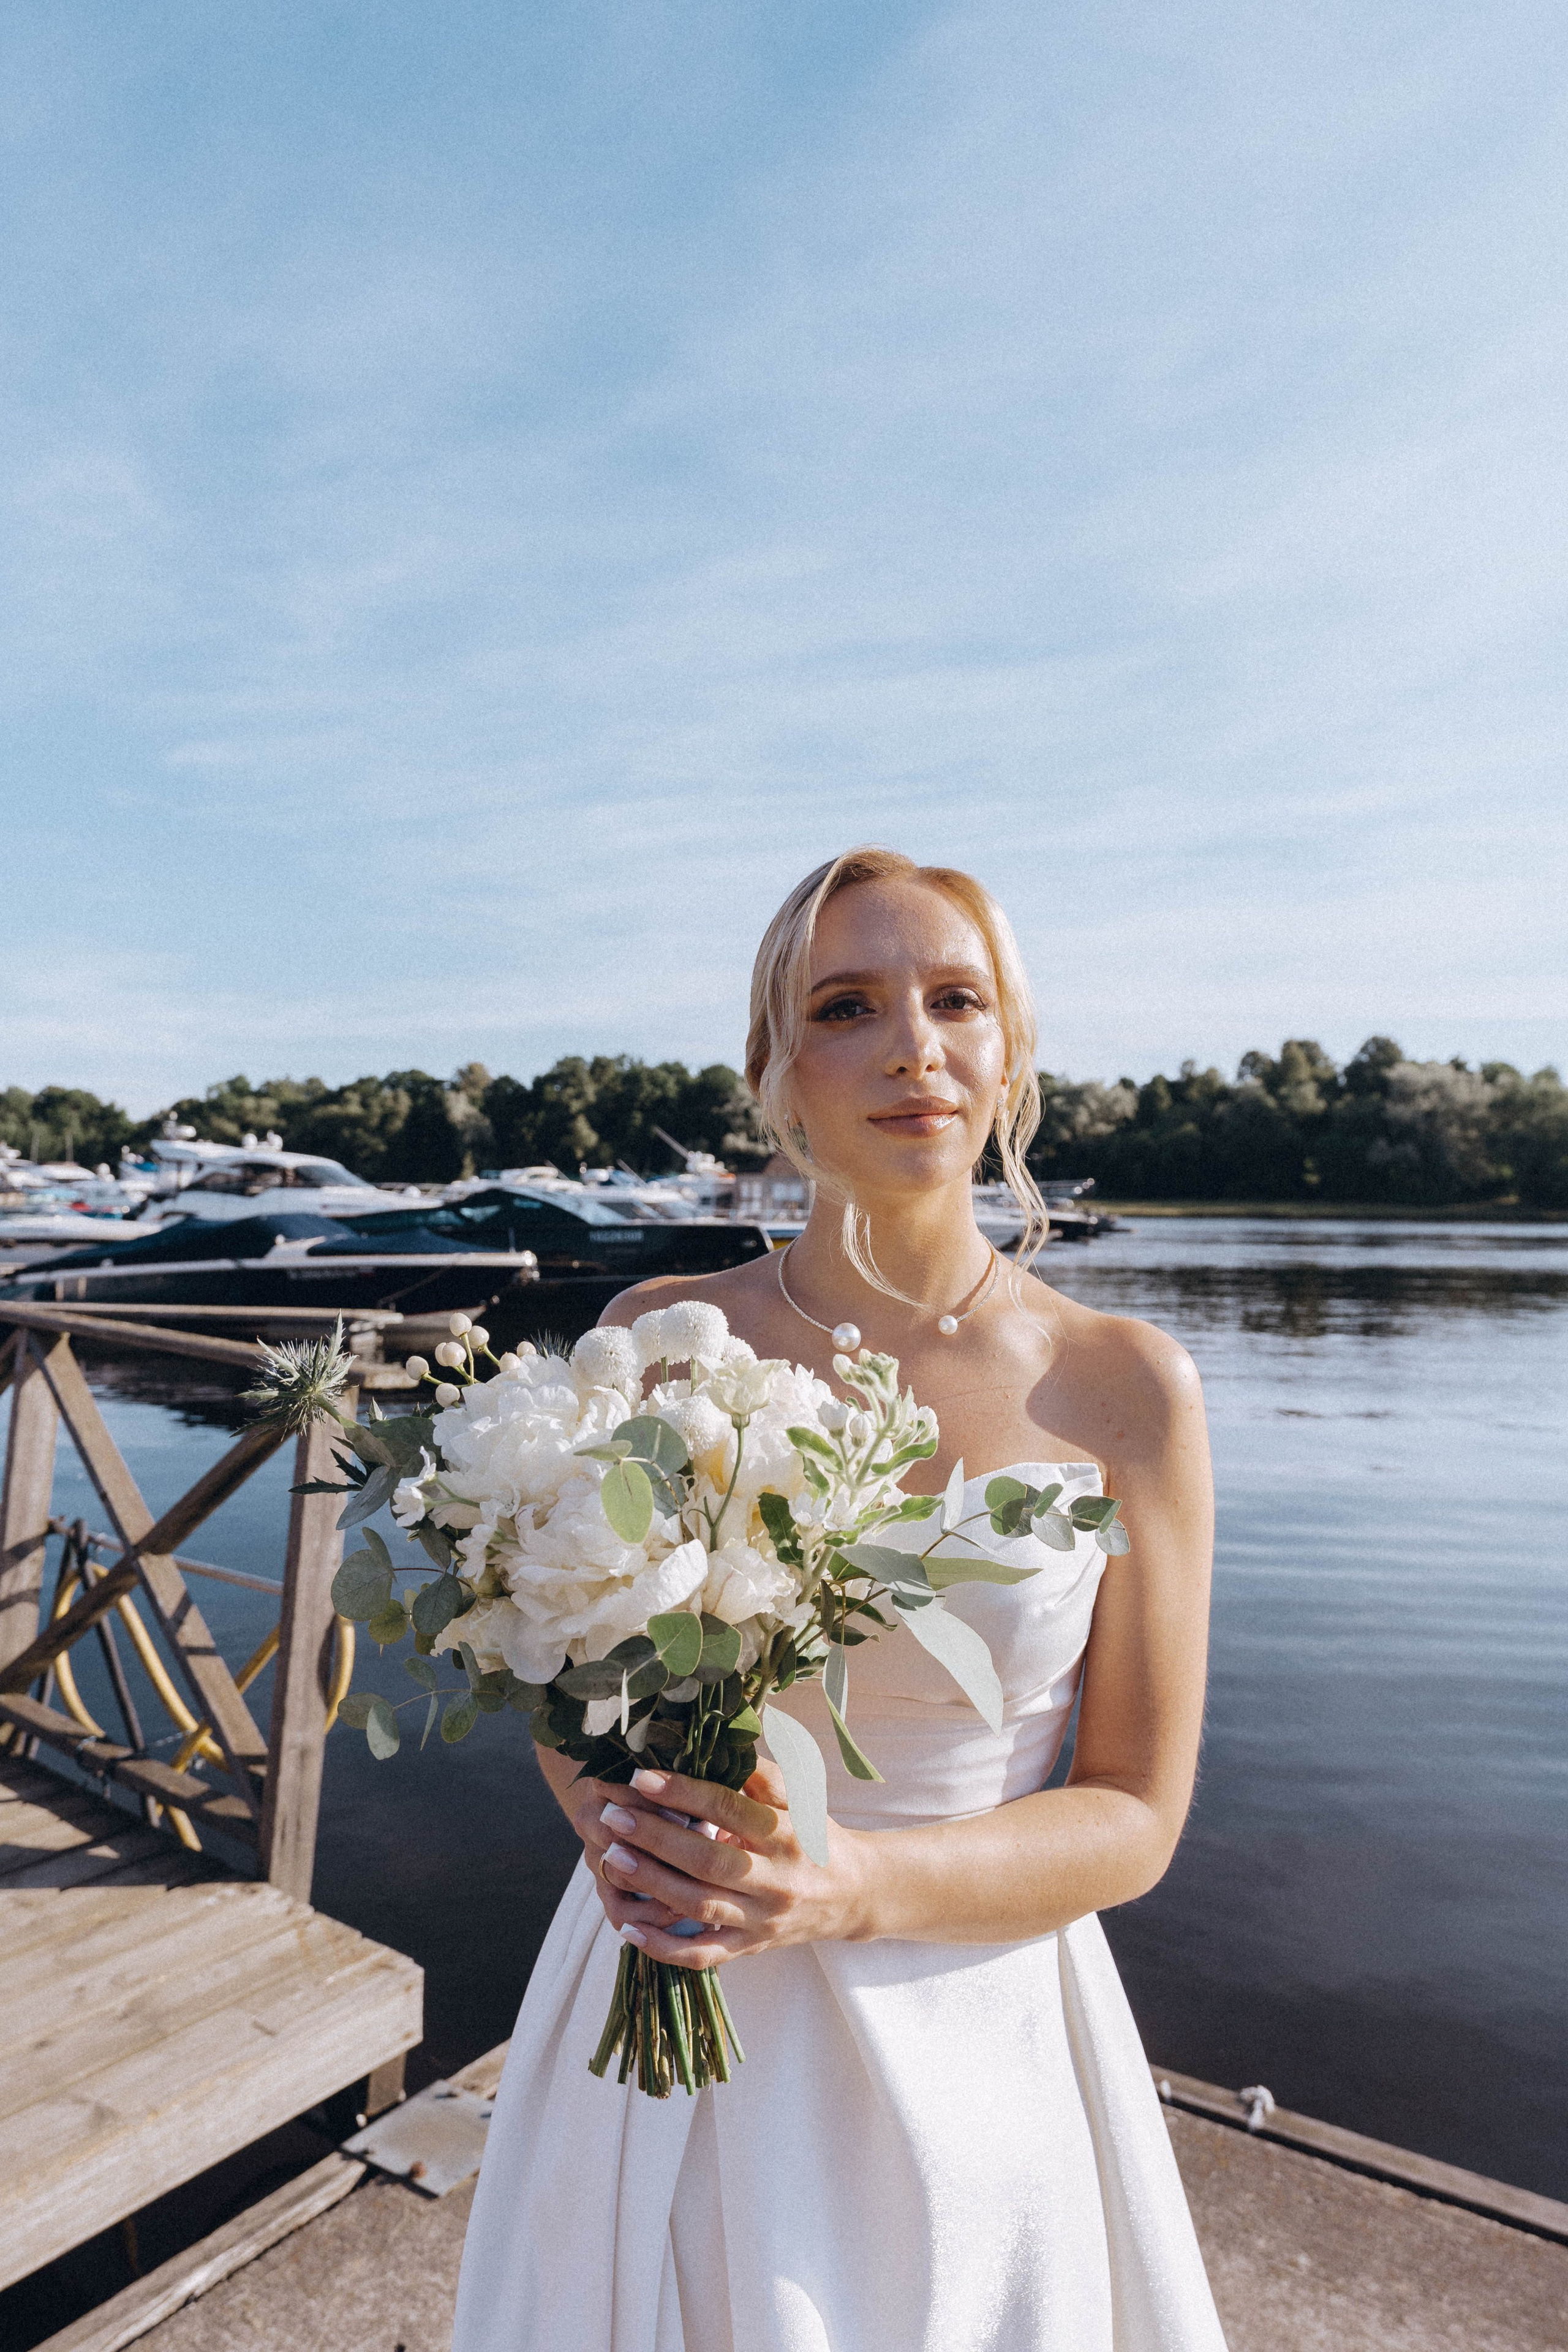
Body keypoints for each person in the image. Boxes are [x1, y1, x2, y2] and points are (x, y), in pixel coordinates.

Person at [453, 847, 1227, 2351]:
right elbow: (554, 1657)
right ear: (775, 1073)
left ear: (1009, 1054)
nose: (912, 1049)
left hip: (981, 2020)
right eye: (846, 1007)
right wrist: (628, 1847)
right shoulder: (654, 1348)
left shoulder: (1122, 1388)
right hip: (674, 2009)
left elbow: (1134, 1811)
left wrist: (847, 1888)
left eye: (954, 1001)